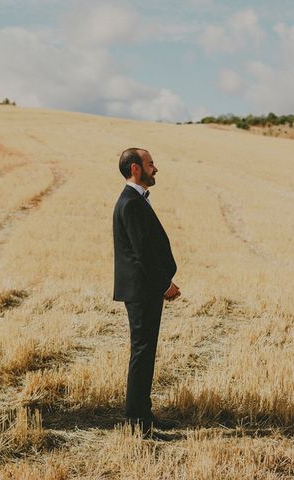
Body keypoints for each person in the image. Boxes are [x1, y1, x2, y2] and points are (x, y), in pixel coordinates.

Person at [112, 147, 180, 436]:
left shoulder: (135, 200)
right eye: (151, 164)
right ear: (135, 169)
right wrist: (164, 284)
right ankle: (136, 420)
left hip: (143, 289)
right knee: (142, 352)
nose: (156, 169)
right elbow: (143, 253)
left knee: (146, 351)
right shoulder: (130, 202)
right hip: (142, 290)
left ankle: (144, 414)